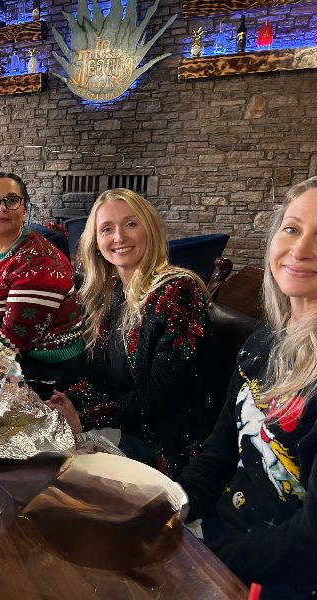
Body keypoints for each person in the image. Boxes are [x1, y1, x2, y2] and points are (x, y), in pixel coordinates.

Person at [176, 178, 317, 597]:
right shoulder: (264, 341)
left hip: (277, 577)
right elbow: (222, 449)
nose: (300, 249)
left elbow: (309, 543)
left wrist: (202, 556)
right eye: (292, 229)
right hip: (222, 538)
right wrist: (172, 506)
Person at [49, 188, 211, 478]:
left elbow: (163, 395)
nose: (119, 238)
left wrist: (83, 419)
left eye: (131, 224)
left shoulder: (177, 291)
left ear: (149, 229)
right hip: (122, 425)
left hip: (161, 445)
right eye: (107, 229)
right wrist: (66, 402)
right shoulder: (111, 291)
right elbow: (101, 377)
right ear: (96, 242)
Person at [0, 172, 85, 392]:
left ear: (24, 209)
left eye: (12, 200)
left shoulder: (40, 261)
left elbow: (11, 340)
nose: (1, 207)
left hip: (45, 367)